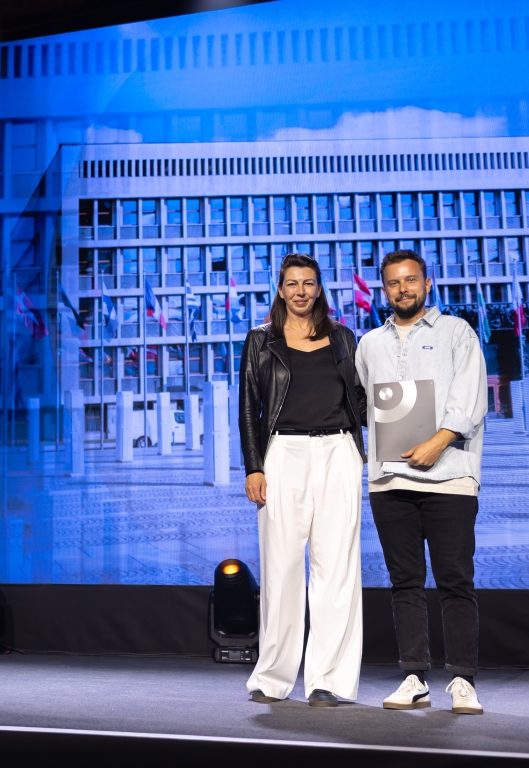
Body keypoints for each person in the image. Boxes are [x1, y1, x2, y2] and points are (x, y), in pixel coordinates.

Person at [355, 249, 487, 715]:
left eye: (411, 280)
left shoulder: (456, 331)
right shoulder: (369, 343)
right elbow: (365, 403)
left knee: (455, 580)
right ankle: (414, 677)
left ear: (427, 284)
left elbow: (470, 398)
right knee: (404, 582)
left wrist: (438, 442)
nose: (403, 289)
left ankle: (463, 679)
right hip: (390, 481)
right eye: (394, 282)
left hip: (449, 476)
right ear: (384, 290)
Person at [239, 253, 367, 707]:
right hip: (283, 454)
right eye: (291, 283)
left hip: (338, 451)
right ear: (280, 289)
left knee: (337, 569)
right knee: (281, 568)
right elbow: (248, 407)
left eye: (308, 283)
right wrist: (254, 466)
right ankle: (272, 677)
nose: (300, 291)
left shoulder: (344, 337)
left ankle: (328, 680)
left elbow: (361, 399)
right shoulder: (260, 340)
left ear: (319, 288)